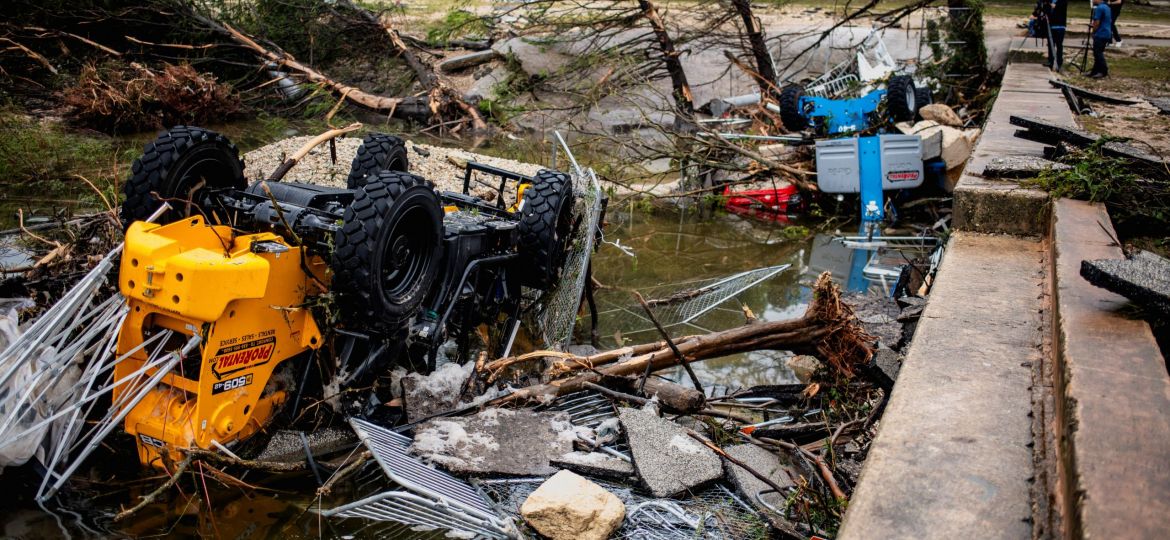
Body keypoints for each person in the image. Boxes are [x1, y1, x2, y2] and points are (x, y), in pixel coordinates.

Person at [1090, 0, 1113, 78]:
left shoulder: (1099, 8)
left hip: (1101, 33)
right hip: (1107, 33)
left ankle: (1103, 71)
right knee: (1098, 52)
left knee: (1098, 53)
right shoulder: (1107, 7)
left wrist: (1093, 31)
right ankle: (1095, 71)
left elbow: (1097, 22)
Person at [1044, 0, 1069, 70]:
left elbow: (1060, 8)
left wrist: (1054, 6)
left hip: (1060, 26)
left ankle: (1059, 63)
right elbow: (1046, 9)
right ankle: (1050, 61)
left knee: (1059, 45)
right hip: (1051, 26)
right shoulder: (1050, 1)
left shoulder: (1063, 1)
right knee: (1050, 44)